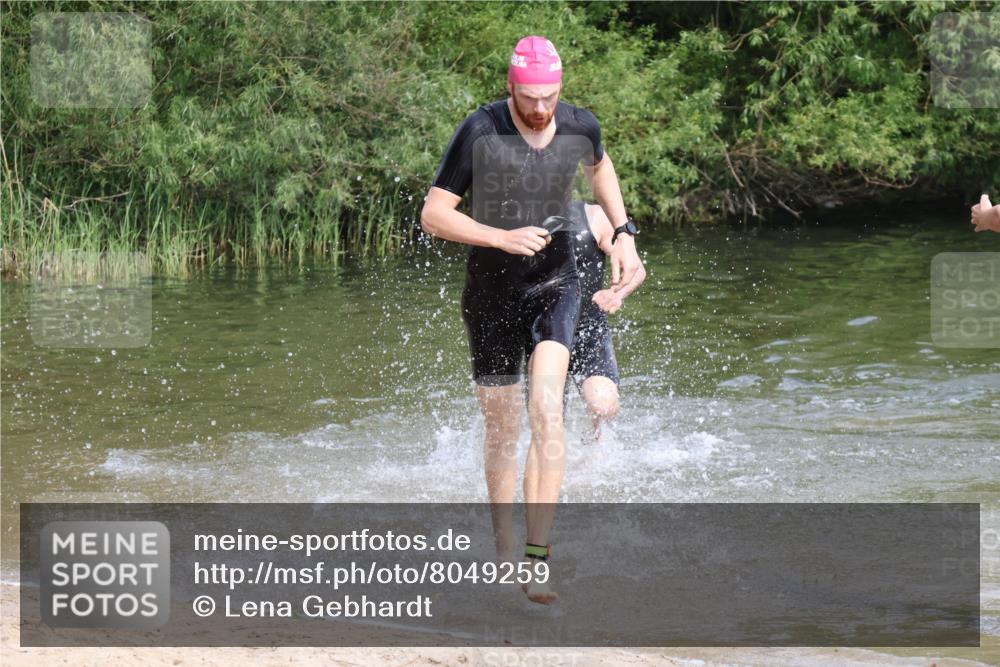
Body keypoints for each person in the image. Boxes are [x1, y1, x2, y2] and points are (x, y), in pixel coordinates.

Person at [421, 36, 642, 604]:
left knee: (547, 410)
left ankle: (537, 556)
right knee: (502, 429)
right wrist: (498, 236)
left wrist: (622, 233)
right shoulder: (481, 131)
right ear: (511, 87)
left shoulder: (579, 125)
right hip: (491, 293)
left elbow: (601, 167)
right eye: (529, 97)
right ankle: (502, 547)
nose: (540, 109)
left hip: (558, 282)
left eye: (548, 97)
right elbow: (434, 214)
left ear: (559, 88)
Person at [565, 200, 645, 442]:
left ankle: (592, 441)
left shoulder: (595, 216)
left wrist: (616, 294)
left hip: (587, 333)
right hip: (542, 335)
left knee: (604, 405)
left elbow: (637, 270)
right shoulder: (519, 215)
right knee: (549, 416)